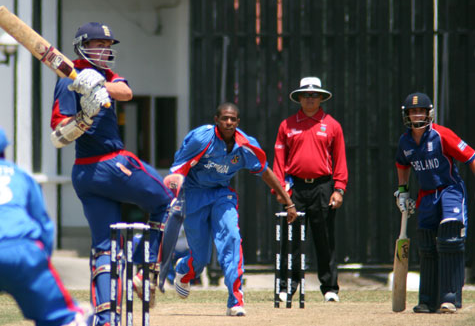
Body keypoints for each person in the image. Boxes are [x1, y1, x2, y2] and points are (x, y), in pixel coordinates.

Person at [49, 22, 173, 326]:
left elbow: (127, 93)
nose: (105, 49)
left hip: (86, 177)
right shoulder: (68, 81)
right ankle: (143, 270)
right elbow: (58, 136)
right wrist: (83, 116)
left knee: (103, 246)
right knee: (168, 202)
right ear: (81, 46)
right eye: (97, 44)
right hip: (109, 164)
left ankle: (103, 317)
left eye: (107, 45)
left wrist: (97, 85)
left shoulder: (102, 76)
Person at [169, 102, 297, 316]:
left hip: (221, 194)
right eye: (224, 118)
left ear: (238, 122)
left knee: (232, 238)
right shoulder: (201, 138)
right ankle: (184, 269)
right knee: (200, 258)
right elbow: (178, 168)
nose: (228, 122)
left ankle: (235, 299)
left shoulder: (245, 145)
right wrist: (171, 199)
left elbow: (265, 172)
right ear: (216, 120)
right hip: (193, 195)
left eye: (233, 119)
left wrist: (288, 202)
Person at [0, 128, 93, 326]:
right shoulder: (20, 176)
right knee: (60, 318)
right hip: (23, 250)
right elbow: (44, 225)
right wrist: (43, 262)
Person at [394, 92, 475, 313]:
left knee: (449, 237)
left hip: (449, 190)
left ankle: (450, 298)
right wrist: (403, 192)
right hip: (426, 194)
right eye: (412, 111)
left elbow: (470, 156)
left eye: (420, 110)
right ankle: (427, 300)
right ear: (407, 115)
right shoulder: (405, 141)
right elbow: (402, 165)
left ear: (429, 113)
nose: (416, 114)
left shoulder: (441, 135)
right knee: (427, 243)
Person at [272, 77, 348, 303]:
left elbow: (340, 160)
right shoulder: (287, 125)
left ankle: (330, 288)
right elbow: (279, 159)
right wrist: (279, 189)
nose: (310, 99)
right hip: (294, 187)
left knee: (324, 237)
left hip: (323, 186)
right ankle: (288, 286)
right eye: (306, 95)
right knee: (291, 238)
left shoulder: (332, 125)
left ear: (322, 97)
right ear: (299, 98)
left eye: (315, 95)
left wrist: (339, 189)